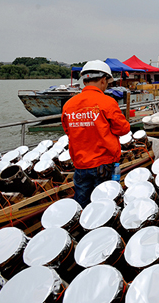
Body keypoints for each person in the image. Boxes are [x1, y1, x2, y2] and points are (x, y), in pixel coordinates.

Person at [62, 60, 131, 207]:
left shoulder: (69, 104)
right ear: (103, 80)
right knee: (105, 204)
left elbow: (68, 130)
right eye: (107, 82)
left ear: (85, 80)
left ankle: (82, 227)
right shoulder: (107, 102)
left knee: (82, 203)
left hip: (80, 165)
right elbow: (123, 129)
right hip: (103, 164)